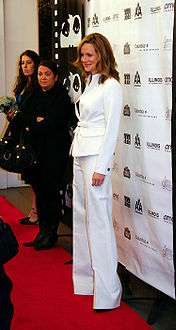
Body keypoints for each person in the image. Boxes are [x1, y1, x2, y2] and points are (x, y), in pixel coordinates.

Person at [70, 33, 123, 310]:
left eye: (90, 54)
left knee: (99, 223)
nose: (85, 60)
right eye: (83, 55)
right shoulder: (91, 82)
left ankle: (108, 293)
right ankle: (85, 282)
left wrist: (102, 167)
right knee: (81, 218)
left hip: (95, 160)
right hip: (80, 153)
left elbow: (112, 129)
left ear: (102, 53)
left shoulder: (111, 85)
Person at [13, 60, 73, 250]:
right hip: (35, 154)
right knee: (39, 193)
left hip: (54, 155)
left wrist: (36, 123)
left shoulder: (62, 97)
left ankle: (51, 233)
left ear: (55, 77)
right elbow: (22, 117)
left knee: (51, 194)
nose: (43, 78)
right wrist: (36, 120)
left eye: (47, 74)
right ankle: (43, 231)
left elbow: (53, 123)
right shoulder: (33, 94)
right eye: (40, 74)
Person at [12, 50, 40, 225]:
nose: (25, 66)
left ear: (36, 64)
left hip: (34, 135)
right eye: (23, 63)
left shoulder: (38, 85)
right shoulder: (23, 84)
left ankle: (36, 212)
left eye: (29, 62)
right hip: (24, 133)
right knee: (30, 176)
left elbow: (35, 113)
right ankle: (34, 210)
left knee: (35, 176)